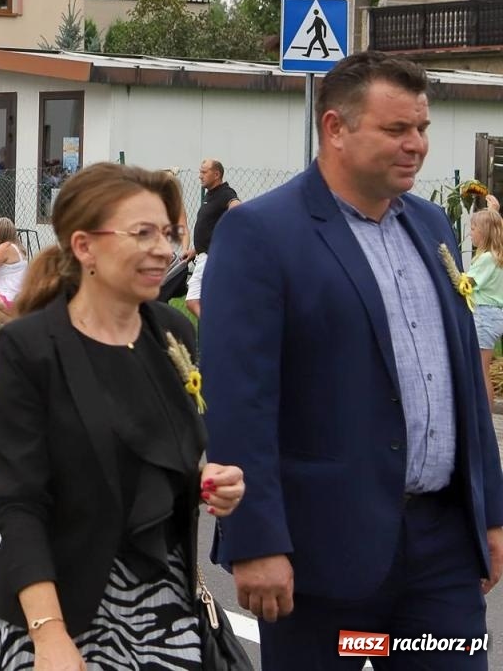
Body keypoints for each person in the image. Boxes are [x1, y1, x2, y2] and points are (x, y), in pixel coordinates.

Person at [202, 51, 503, 668]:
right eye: (397, 129)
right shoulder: (261, 233)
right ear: (335, 128)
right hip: (320, 555)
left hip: (441, 549)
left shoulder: (430, 225)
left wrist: (490, 515)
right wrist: (256, 540)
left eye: (421, 128)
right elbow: (240, 399)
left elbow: (464, 387)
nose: (416, 144)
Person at [0, 162, 246, 670]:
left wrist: (204, 478)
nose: (163, 249)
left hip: (161, 601)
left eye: (167, 234)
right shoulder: (32, 346)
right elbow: (21, 503)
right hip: (55, 603)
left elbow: (152, 447)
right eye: (142, 233)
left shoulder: (173, 333)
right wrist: (50, 635)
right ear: (84, 246)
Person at [185, 158, 239, 318]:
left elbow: (237, 207)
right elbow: (209, 229)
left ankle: (215, 329)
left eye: (204, 172)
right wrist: (195, 250)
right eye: (200, 172)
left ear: (216, 174)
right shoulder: (211, 195)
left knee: (193, 299)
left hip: (212, 258)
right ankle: (216, 328)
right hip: (203, 255)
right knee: (201, 300)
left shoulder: (225, 193)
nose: (200, 176)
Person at [468, 208, 503, 409]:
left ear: (484, 232)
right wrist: (493, 211)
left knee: (480, 371)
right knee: (482, 369)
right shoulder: (497, 257)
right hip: (494, 315)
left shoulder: (486, 258)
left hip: (483, 315)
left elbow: (468, 282)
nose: (471, 232)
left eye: (473, 228)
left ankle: (485, 421)